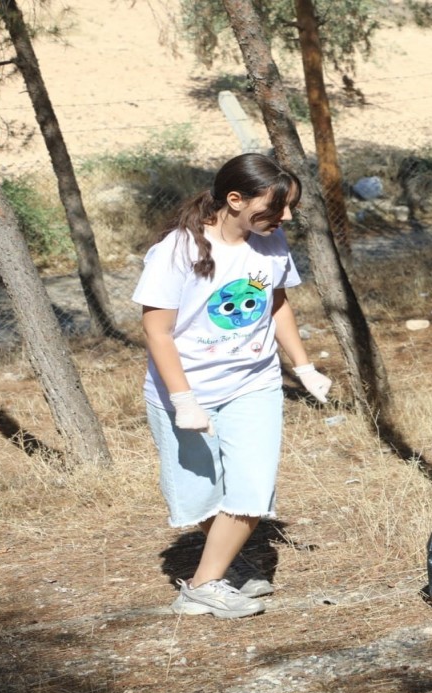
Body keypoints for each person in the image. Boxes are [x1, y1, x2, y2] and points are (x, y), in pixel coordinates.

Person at [132, 153, 334, 618]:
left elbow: (276, 304)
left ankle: (203, 586)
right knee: (201, 494)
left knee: (252, 488)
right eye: (273, 209)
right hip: (186, 391)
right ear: (234, 200)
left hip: (254, 384)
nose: (283, 218)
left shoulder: (271, 241)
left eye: (288, 209)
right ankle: (228, 563)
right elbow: (156, 331)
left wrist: (302, 367)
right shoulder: (177, 251)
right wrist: (183, 399)